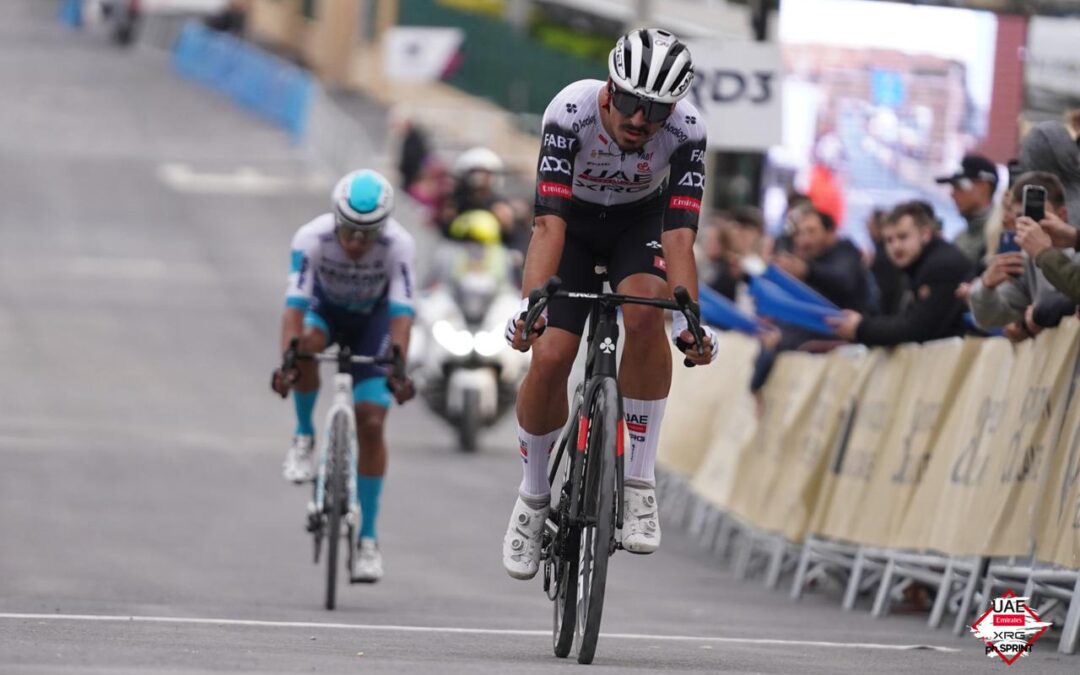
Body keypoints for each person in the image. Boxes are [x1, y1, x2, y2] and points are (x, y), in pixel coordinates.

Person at [500, 28, 717, 580]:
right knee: (549, 357)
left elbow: (680, 238)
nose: (640, 120)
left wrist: (690, 320)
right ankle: (532, 498)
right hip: (570, 226)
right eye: (629, 103)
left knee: (647, 311)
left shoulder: (689, 131)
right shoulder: (569, 111)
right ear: (608, 91)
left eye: (656, 110)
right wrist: (532, 310)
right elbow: (547, 224)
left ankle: (640, 482)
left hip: (636, 226)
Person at [271, 169, 416, 583]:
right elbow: (294, 307)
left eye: (366, 235)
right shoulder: (311, 238)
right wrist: (287, 362)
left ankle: (368, 539)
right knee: (304, 345)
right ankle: (303, 437)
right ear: (336, 219)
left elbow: (403, 315)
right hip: (325, 314)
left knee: (372, 421)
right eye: (349, 231)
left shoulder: (399, 245)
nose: (355, 243)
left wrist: (399, 368)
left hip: (374, 322)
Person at [828, 201, 973, 345]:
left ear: (925, 234)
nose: (895, 246)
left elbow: (917, 329)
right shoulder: (916, 266)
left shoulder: (941, 266)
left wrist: (861, 328)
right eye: (889, 240)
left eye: (903, 237)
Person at [968, 172, 1075, 338]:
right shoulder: (1027, 260)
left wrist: (1038, 316)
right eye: (1020, 217)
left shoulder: (1073, 253)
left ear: (1061, 215)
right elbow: (991, 318)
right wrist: (986, 286)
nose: (1028, 225)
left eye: (1036, 215)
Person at [435, 147, 516, 244]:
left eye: (486, 173)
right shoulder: (455, 201)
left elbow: (512, 239)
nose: (480, 179)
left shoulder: (499, 204)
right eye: (476, 173)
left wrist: (506, 226)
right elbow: (444, 232)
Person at [935, 154, 999, 266]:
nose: (952, 194)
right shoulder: (959, 239)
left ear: (984, 186)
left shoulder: (1001, 233)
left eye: (959, 186)